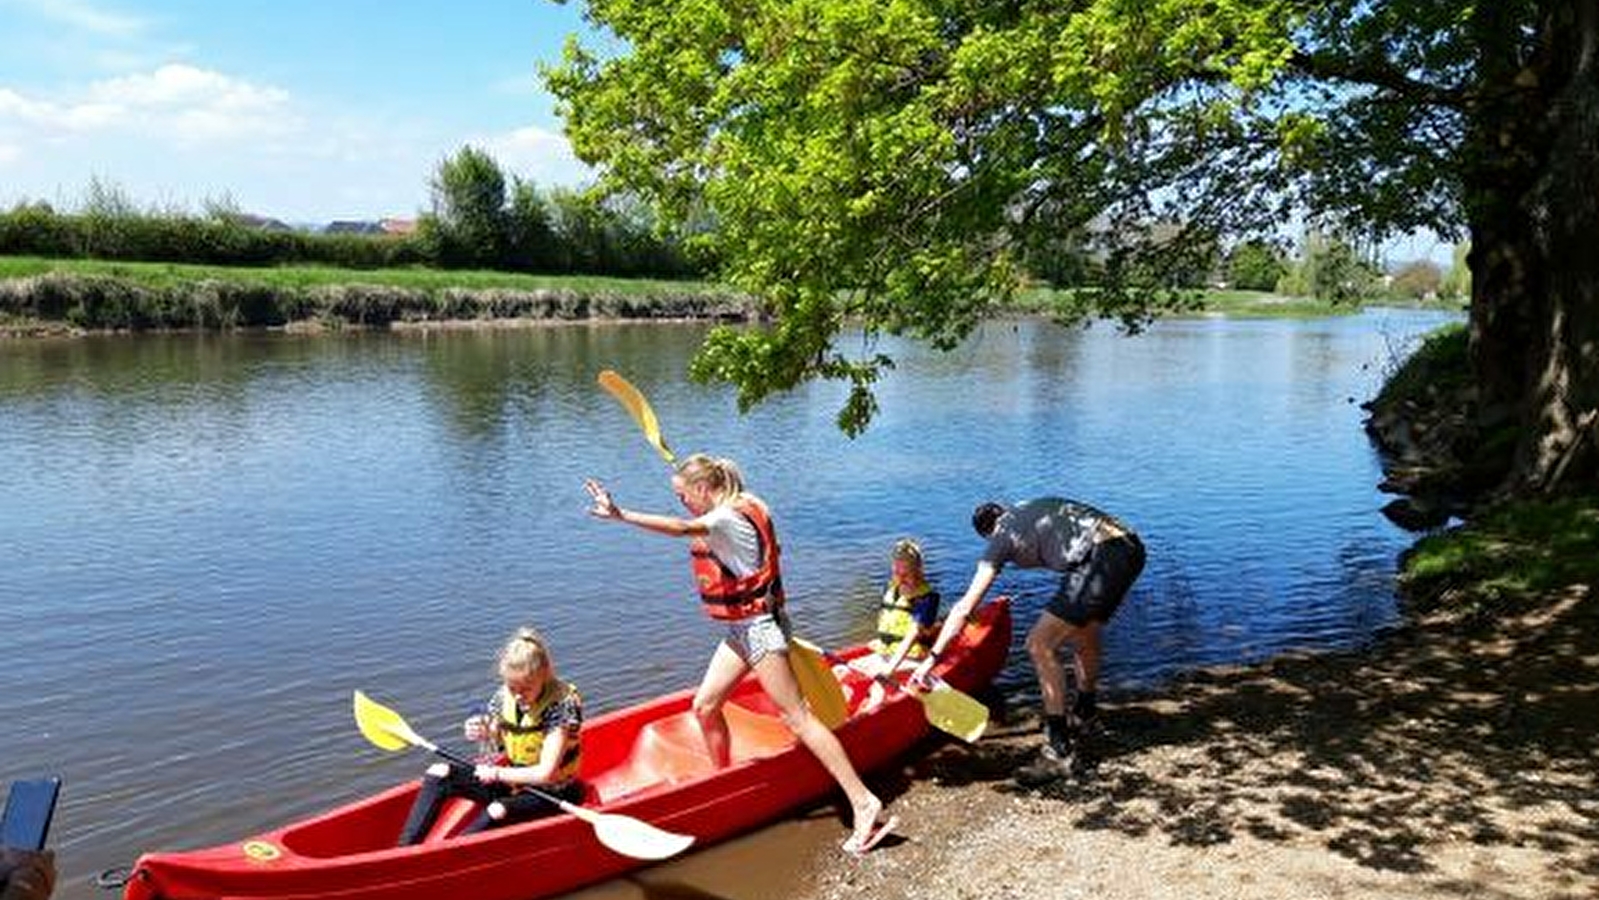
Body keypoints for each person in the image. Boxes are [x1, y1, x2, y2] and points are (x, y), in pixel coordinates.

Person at [584, 454, 897, 855]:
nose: (682, 503)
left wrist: (620, 514)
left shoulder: (726, 518)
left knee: (797, 718)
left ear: (703, 488)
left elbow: (683, 528)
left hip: (760, 629)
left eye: (683, 495)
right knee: (706, 706)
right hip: (745, 627)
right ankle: (724, 783)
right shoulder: (745, 502)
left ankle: (864, 802)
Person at [911, 497, 1145, 784]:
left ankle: (1058, 752)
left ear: (988, 532)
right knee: (1085, 632)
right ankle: (1085, 714)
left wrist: (932, 659)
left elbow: (964, 607)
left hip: (1099, 557)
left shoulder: (1001, 536)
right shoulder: (1028, 508)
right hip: (1130, 548)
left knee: (1038, 644)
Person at [397, 627, 583, 845]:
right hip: (514, 781)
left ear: (544, 675)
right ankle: (405, 849)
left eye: (526, 688)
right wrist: (481, 730)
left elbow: (545, 774)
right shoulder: (503, 696)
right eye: (513, 687)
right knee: (439, 773)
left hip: (555, 792)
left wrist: (495, 773)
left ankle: (444, 857)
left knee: (497, 809)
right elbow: (497, 736)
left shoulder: (560, 706)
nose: (519, 696)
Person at [860, 538, 942, 676]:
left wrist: (890, 669)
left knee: (877, 686)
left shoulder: (926, 598)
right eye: (897, 573)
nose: (901, 578)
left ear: (918, 571)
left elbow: (912, 635)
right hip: (887, 654)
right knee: (843, 670)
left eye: (907, 574)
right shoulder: (890, 588)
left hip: (912, 657)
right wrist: (881, 643)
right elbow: (887, 619)